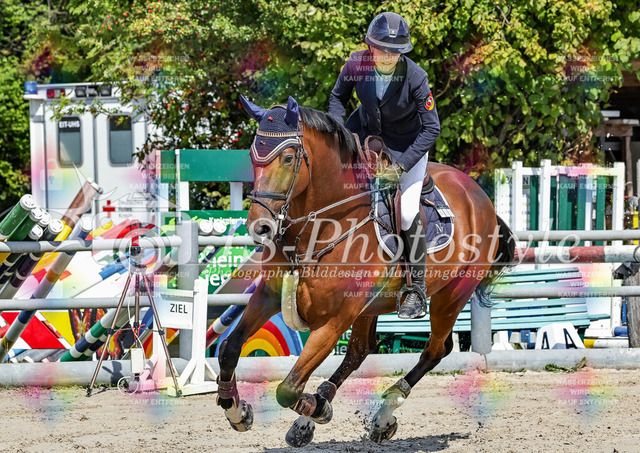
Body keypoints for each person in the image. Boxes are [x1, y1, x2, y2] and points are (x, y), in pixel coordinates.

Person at [328, 11, 441, 319]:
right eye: (382, 50)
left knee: (406, 212)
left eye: (395, 52)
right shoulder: (356, 64)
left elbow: (432, 128)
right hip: (365, 140)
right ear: (370, 46)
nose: (389, 57)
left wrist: (400, 167)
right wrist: (339, 134)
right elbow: (337, 98)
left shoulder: (416, 77)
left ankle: (416, 289)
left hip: (407, 148)